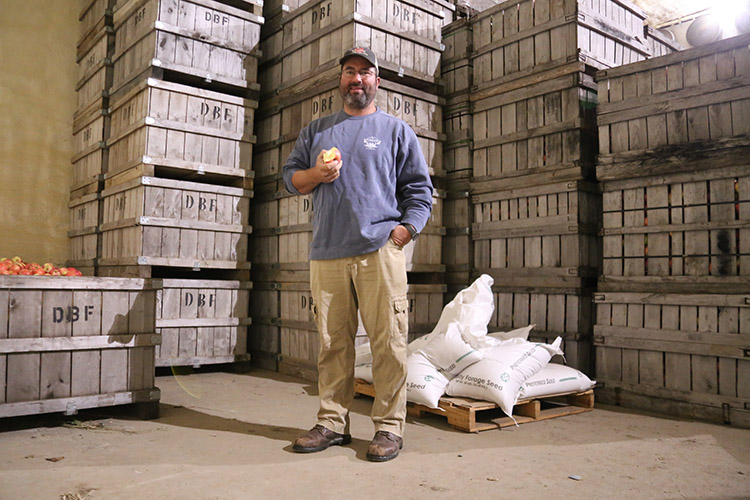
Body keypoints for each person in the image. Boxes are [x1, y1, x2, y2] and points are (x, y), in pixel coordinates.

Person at [282, 46, 433, 462]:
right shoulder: (317, 131)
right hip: (327, 251)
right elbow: (290, 178)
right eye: (350, 71)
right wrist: (316, 174)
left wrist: (404, 232)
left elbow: (420, 192)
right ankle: (332, 423)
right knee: (333, 344)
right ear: (341, 80)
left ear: (377, 82)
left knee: (389, 342)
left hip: (379, 251)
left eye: (366, 73)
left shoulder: (395, 131)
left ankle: (389, 428)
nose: (357, 79)